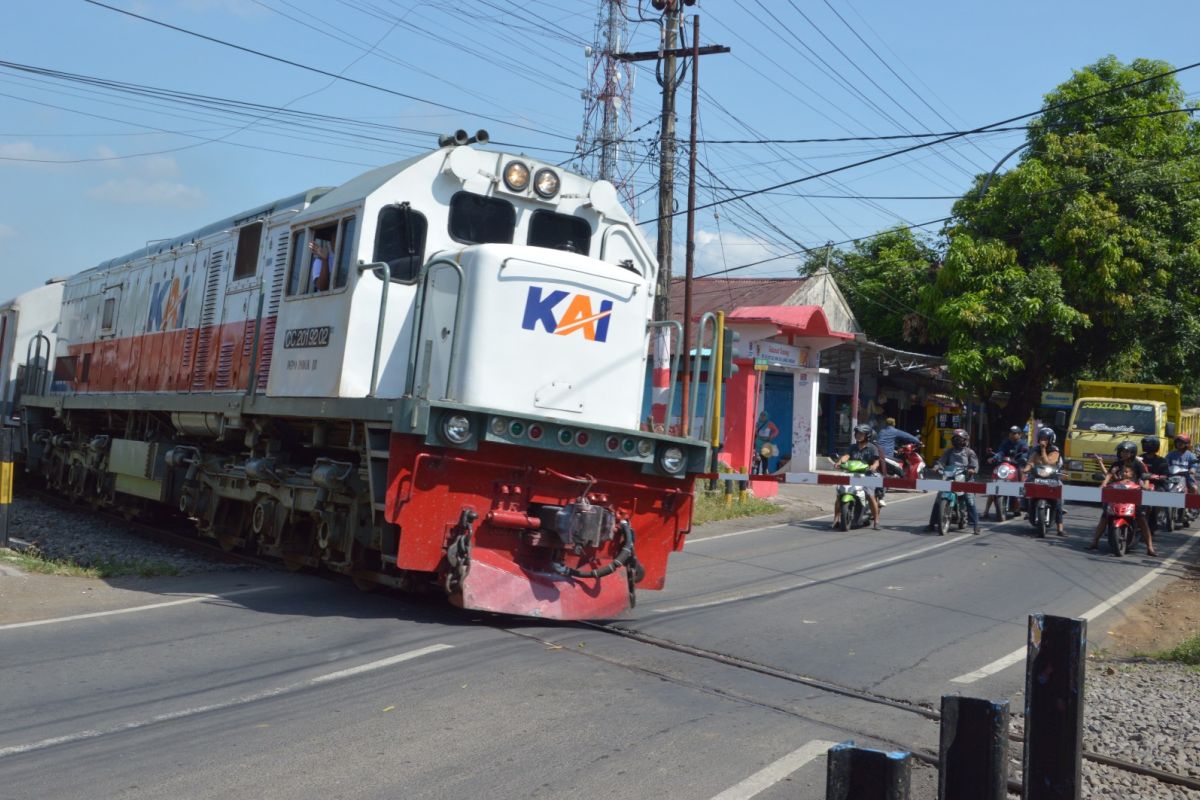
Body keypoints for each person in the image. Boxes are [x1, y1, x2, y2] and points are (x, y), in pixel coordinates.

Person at [1089, 440, 1156, 556]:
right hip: (1116, 495)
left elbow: (1145, 477)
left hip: (1133, 495)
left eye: (1126, 452)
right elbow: (1109, 475)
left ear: (1132, 453)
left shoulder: (1138, 464)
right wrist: (1104, 484)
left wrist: (1145, 487)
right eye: (1121, 451)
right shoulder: (1116, 464)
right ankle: (1095, 542)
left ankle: (1150, 547)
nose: (1122, 454)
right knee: (1105, 516)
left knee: (1141, 519)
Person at [928, 428, 979, 534]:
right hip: (950, 478)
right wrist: (936, 467)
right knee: (938, 498)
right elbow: (941, 462)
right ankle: (931, 524)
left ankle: (976, 525)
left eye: (959, 438)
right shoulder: (949, 451)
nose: (957, 440)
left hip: (966, 480)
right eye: (955, 438)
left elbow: (974, 465)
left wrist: (971, 470)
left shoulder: (970, 452)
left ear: (965, 440)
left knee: (970, 500)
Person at [833, 423, 882, 530]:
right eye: (857, 433)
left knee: (870, 495)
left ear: (867, 435)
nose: (858, 435)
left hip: (867, 475)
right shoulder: (853, 447)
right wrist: (840, 462)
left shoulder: (872, 448)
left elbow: (876, 462)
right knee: (839, 495)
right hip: (852, 474)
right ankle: (836, 519)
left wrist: (873, 466)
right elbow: (846, 456)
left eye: (861, 434)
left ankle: (876, 521)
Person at [1021, 426, 1065, 536]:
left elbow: (1048, 463)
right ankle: (1026, 507)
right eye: (1041, 438)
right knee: (1026, 486)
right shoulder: (1035, 450)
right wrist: (1025, 470)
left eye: (1045, 438)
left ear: (1050, 439)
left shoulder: (1055, 451)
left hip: (1051, 477)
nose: (1043, 441)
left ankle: (1060, 528)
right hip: (1037, 476)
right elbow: (1030, 462)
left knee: (1058, 501)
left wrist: (1043, 449)